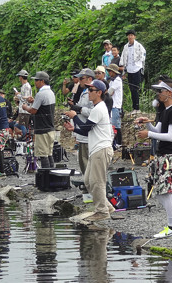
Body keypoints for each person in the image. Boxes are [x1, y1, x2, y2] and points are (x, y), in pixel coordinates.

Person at [135, 79, 172, 237]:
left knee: (167, 192)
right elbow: (158, 129)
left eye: (160, 91)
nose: (158, 94)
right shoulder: (164, 111)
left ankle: (171, 228)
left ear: (168, 93)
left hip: (170, 156)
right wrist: (147, 125)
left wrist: (148, 134)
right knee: (159, 191)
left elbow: (171, 136)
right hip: (162, 156)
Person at [64, 80, 114, 222]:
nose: (88, 92)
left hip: (101, 149)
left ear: (99, 92)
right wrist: (74, 129)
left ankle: (102, 211)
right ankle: (107, 206)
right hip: (96, 149)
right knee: (88, 180)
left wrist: (74, 116)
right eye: (88, 90)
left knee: (96, 181)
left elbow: (86, 128)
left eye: (91, 90)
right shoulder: (97, 107)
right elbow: (88, 131)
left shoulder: (99, 108)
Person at [22, 71, 56, 168]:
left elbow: (33, 111)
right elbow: (43, 106)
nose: (35, 82)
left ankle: (46, 178)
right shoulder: (51, 92)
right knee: (49, 153)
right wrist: (34, 101)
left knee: (42, 154)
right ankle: (52, 176)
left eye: (36, 80)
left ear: (42, 81)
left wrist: (25, 107)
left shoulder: (41, 94)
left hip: (42, 128)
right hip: (50, 128)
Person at [68, 68, 95, 175]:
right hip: (82, 131)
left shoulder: (92, 91)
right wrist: (74, 105)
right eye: (79, 78)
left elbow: (94, 112)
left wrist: (78, 109)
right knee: (82, 162)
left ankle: (90, 186)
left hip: (87, 133)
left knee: (86, 162)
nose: (79, 81)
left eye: (82, 78)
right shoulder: (84, 91)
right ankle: (87, 183)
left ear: (89, 78)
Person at [119, 29, 146, 115]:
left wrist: (140, 62)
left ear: (134, 36)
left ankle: (137, 108)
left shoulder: (138, 45)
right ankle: (134, 107)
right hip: (129, 69)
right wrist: (123, 68)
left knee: (136, 88)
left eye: (132, 35)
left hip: (136, 68)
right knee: (131, 89)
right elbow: (123, 57)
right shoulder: (126, 46)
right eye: (129, 35)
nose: (130, 37)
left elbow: (143, 53)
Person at [106, 63, 123, 147]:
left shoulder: (117, 80)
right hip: (112, 105)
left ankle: (119, 143)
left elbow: (110, 92)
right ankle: (114, 143)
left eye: (109, 71)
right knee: (113, 125)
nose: (108, 72)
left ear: (113, 72)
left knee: (116, 125)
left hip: (116, 105)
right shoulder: (112, 80)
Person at [14, 70, 33, 140]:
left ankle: (24, 137)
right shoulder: (24, 86)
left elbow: (27, 98)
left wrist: (18, 95)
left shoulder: (26, 86)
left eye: (19, 77)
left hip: (25, 110)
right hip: (23, 109)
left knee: (23, 125)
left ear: (21, 77)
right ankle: (25, 137)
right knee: (22, 124)